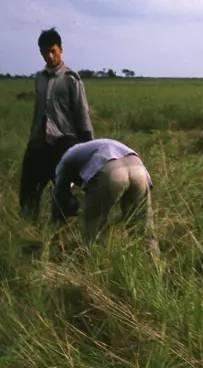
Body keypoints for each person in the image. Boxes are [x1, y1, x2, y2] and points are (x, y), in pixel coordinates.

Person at [19, 28, 93, 219]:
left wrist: (88, 148)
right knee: (28, 192)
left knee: (63, 195)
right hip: (39, 142)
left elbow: (82, 114)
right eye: (44, 52)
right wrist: (32, 137)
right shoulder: (39, 78)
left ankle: (62, 236)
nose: (49, 56)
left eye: (53, 51)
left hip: (63, 143)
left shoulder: (72, 79)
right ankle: (28, 231)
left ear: (61, 49)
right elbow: (38, 112)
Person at [52, 139, 157, 252]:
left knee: (94, 227)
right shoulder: (89, 148)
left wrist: (59, 220)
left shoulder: (65, 159)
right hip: (139, 169)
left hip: (110, 169)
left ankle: (95, 260)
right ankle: (152, 261)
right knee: (142, 223)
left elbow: (59, 193)